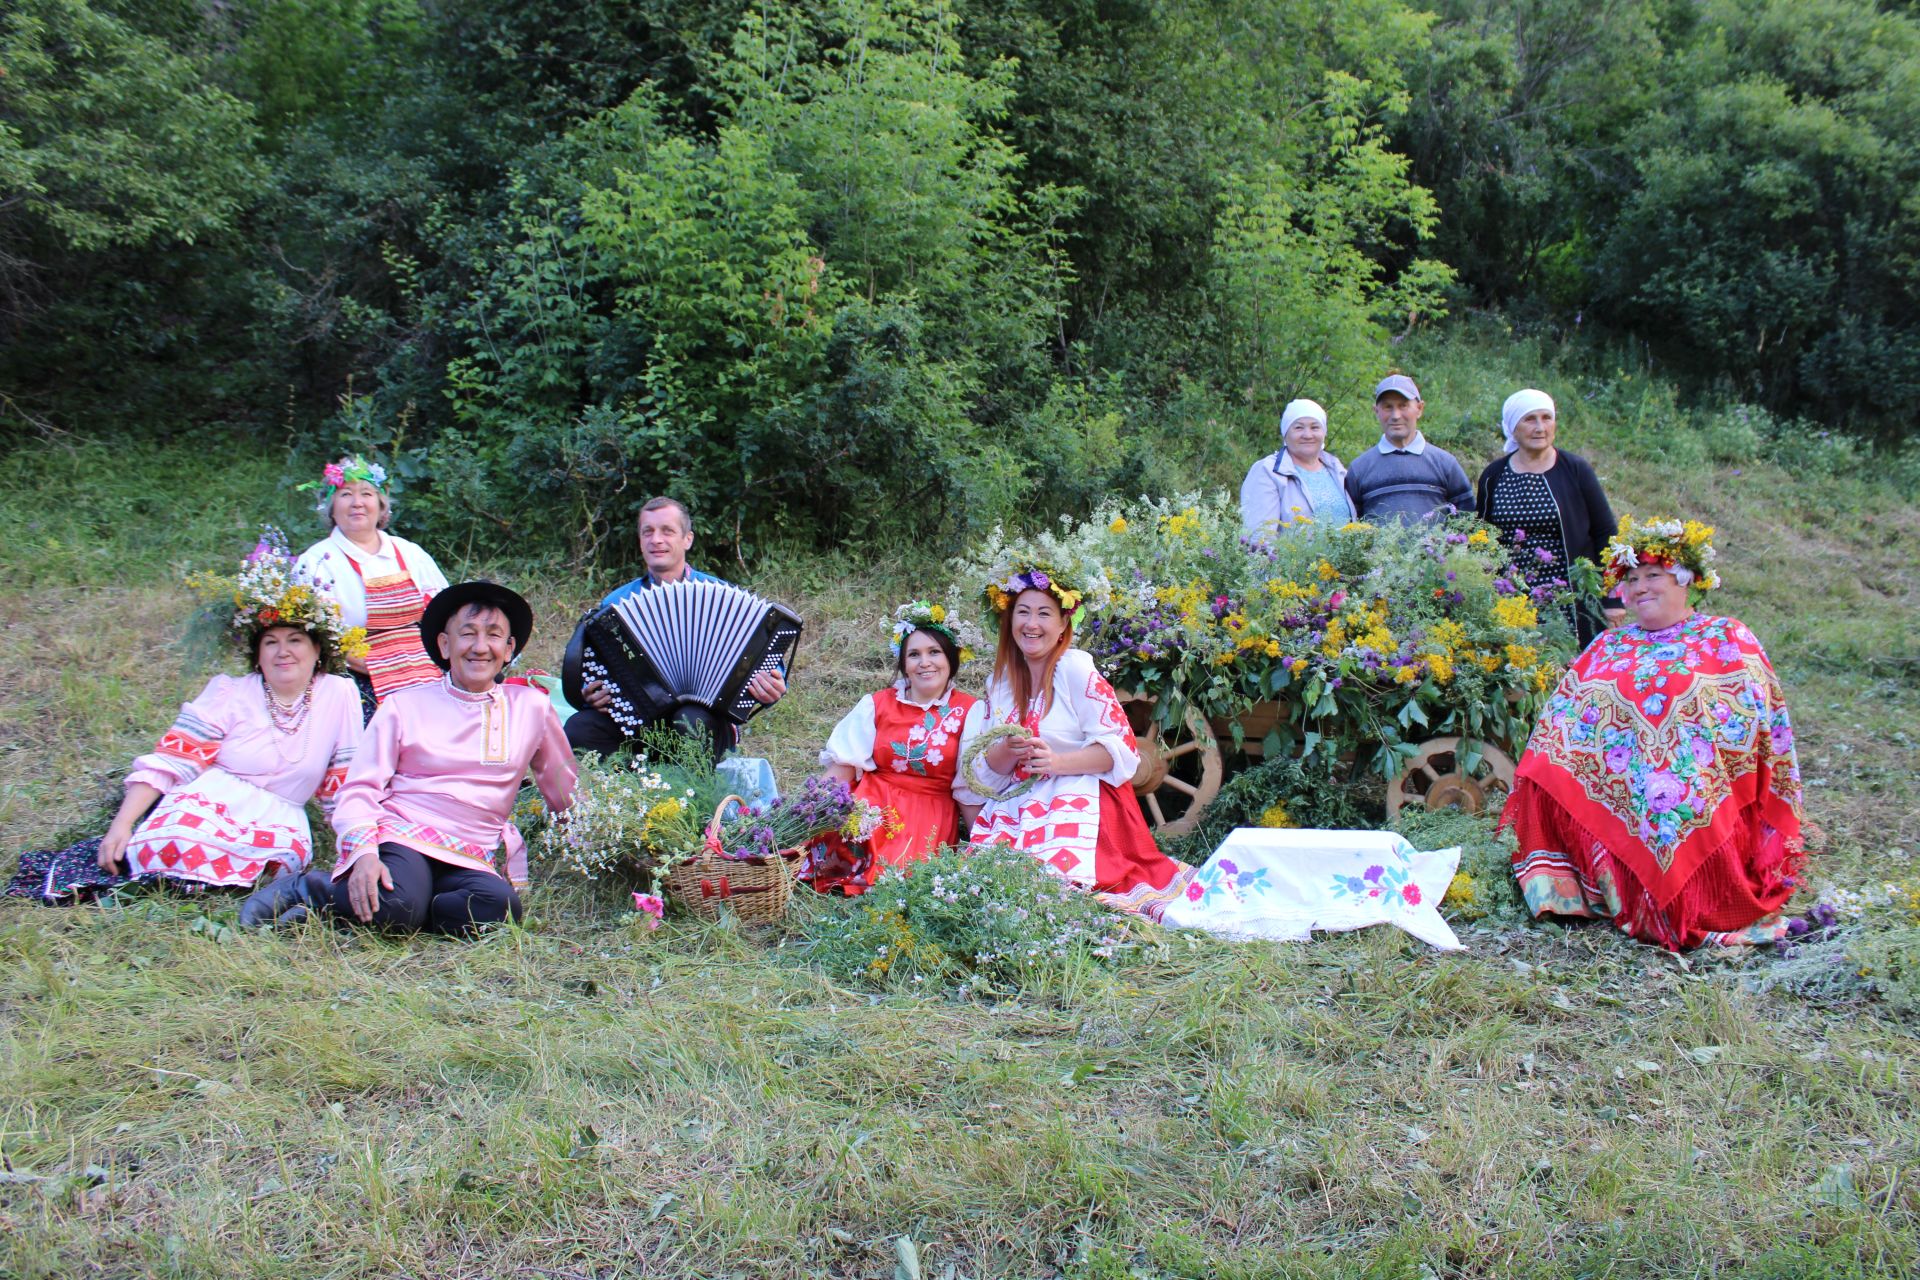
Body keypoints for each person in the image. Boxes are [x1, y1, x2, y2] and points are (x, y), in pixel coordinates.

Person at [7, 530, 365, 904]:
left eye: (294, 640)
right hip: (211, 800)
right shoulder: (230, 691)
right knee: (178, 841)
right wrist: (122, 825)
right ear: (257, 655)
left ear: (316, 651)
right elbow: (171, 761)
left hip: (279, 814)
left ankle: (200, 877)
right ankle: (172, 866)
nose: (282, 652)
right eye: (270, 643)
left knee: (278, 858)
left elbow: (344, 781)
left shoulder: (339, 694)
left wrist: (355, 849)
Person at [1500, 518, 1807, 951]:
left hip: (1701, 778)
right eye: (1631, 578)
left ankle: (1695, 896)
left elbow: (1757, 717)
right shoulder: (1610, 644)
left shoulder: (1726, 636)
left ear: (1686, 581)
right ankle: (1595, 887)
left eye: (1653, 576)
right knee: (1539, 765)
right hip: (1620, 781)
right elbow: (1565, 713)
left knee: (1680, 792)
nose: (1640, 587)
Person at [258, 581, 577, 936]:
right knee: (394, 908)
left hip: (471, 852)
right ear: (444, 644)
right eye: (467, 634)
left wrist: (594, 839)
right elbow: (360, 788)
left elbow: (563, 784)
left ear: (509, 648)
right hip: (402, 835)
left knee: (499, 910)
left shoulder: (531, 707)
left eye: (493, 635)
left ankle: (405, 907)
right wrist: (363, 853)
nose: (480, 647)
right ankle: (312, 890)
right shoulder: (403, 705)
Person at [957, 563, 1195, 918]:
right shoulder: (1002, 685)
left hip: (1081, 797)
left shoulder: (1074, 670)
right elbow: (986, 776)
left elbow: (1122, 751)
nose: (1031, 624)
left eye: (1043, 614)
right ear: (1009, 622)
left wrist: (1056, 763)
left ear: (1063, 623)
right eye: (1022, 612)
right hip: (1018, 805)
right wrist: (1008, 750)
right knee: (993, 895)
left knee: (1062, 894)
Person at [564, 496, 786, 757]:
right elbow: (596, 671)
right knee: (579, 729)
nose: (656, 539)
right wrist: (592, 694)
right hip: (634, 720)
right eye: (648, 532)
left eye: (667, 531)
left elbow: (769, 665)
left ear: (687, 539)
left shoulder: (721, 595)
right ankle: (625, 790)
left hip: (704, 718)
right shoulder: (615, 605)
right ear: (640, 541)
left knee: (689, 720)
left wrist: (772, 686)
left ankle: (687, 792)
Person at [813, 601, 987, 893]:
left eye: (934, 652)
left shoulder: (970, 711)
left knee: (897, 878)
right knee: (833, 848)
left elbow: (969, 787)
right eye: (914, 655)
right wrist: (806, 811)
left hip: (926, 813)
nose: (925, 662)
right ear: (904, 664)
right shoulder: (877, 703)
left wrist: (981, 843)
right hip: (871, 800)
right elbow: (843, 765)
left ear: (951, 660)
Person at [293, 454, 449, 723]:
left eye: (366, 493)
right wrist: (383, 669)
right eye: (345, 494)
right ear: (331, 508)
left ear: (380, 505)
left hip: (427, 665)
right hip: (359, 674)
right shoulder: (316, 562)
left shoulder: (409, 552)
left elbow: (447, 611)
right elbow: (313, 636)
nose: (357, 503)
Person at [1475, 389, 1621, 647]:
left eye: (1547, 418)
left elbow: (1605, 533)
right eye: (1529, 419)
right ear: (1512, 427)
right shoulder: (1494, 476)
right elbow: (1481, 538)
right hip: (1512, 597)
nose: (1540, 427)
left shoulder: (1575, 470)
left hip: (1570, 598)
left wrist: (1612, 597)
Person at [1343, 374, 1474, 522]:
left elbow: (1467, 521)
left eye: (1403, 405)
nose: (1395, 415)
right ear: (1376, 411)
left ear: (1419, 408)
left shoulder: (1445, 464)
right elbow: (1352, 526)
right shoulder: (1359, 469)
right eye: (1388, 407)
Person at [1239, 398, 1354, 537]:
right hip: (1294, 558)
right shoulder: (1267, 471)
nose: (1307, 435)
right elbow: (1260, 536)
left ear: (1324, 433)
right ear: (1285, 433)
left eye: (1315, 427)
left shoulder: (1337, 470)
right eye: (1298, 427)